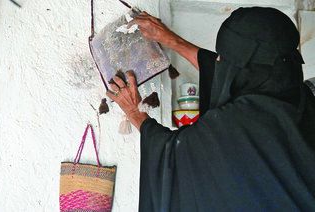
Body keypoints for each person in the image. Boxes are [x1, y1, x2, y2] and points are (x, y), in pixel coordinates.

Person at [107, 7, 315, 211]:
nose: (217, 60)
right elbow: (230, 77)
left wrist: (134, 112)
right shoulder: (305, 97)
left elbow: (173, 152)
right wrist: (172, 41)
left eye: (221, 57)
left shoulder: (228, 129)